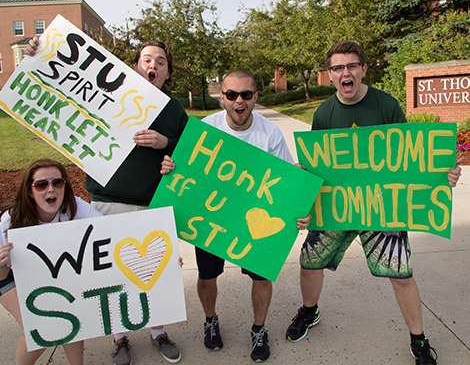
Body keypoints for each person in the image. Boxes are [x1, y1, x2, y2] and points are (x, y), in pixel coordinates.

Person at [284, 41, 463, 365]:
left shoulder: (386, 106)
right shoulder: (324, 113)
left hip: (381, 208)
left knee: (401, 274)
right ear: (330, 74)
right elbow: (315, 168)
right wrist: (304, 190)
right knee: (310, 261)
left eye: (352, 65)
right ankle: (309, 312)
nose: (345, 72)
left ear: (364, 69)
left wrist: (443, 176)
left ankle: (418, 340)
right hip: (337, 207)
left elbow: (413, 159)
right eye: (338, 67)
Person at [25, 38, 188, 365]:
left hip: (154, 203)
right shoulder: (111, 97)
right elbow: (63, 89)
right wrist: (37, 57)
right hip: (106, 201)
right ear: (135, 66)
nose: (152, 65)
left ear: (168, 72)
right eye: (145, 60)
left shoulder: (174, 109)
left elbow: (191, 154)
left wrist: (165, 142)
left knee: (155, 272)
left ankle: (158, 332)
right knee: (113, 275)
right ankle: (121, 337)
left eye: (159, 61)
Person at [161, 69, 311, 362]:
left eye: (245, 94)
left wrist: (298, 206)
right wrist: (170, 167)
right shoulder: (206, 128)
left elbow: (286, 182)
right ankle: (210, 320)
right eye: (231, 94)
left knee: (262, 276)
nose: (238, 100)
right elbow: (183, 168)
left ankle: (258, 328)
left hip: (256, 222)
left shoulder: (270, 133)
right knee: (206, 275)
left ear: (255, 97)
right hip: (212, 217)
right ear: (222, 98)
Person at [0, 158, 102, 365]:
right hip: (10, 275)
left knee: (73, 317)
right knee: (41, 329)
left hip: (51, 271)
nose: (50, 189)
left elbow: (110, 232)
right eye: (41, 184)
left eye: (57, 182)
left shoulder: (73, 205)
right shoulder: (11, 220)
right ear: (30, 191)